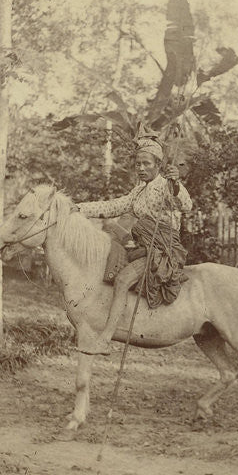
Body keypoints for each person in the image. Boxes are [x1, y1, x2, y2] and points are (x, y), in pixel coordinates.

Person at [75, 134, 192, 355]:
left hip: (162, 250)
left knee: (122, 280)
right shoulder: (138, 191)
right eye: (138, 164)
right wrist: (78, 208)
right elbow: (113, 206)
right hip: (142, 246)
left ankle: (106, 338)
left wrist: (176, 183)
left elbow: (185, 204)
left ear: (158, 165)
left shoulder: (166, 185)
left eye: (146, 163)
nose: (141, 168)